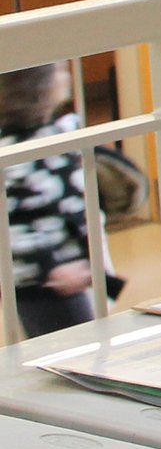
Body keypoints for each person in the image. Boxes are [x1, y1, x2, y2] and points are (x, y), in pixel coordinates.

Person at [5, 61, 96, 339]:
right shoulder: (12, 152)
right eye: (58, 71)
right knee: (71, 349)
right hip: (45, 280)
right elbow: (12, 224)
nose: (66, 76)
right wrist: (49, 269)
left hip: (71, 265)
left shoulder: (52, 132)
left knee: (84, 339)